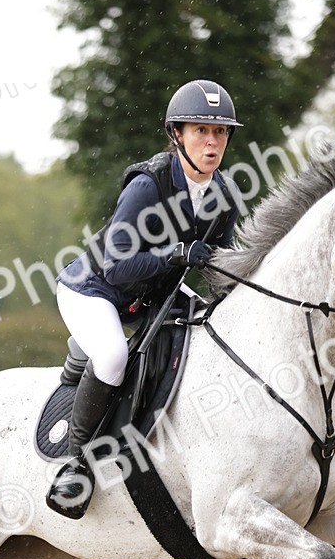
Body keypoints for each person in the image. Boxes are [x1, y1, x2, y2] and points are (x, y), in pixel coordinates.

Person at [46, 78, 243, 519]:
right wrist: (177, 254)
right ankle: (77, 466)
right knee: (114, 355)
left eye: (221, 133)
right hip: (95, 289)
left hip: (153, 294)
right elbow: (116, 266)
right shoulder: (148, 185)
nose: (212, 143)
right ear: (177, 135)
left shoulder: (224, 196)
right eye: (201, 131)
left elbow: (223, 270)